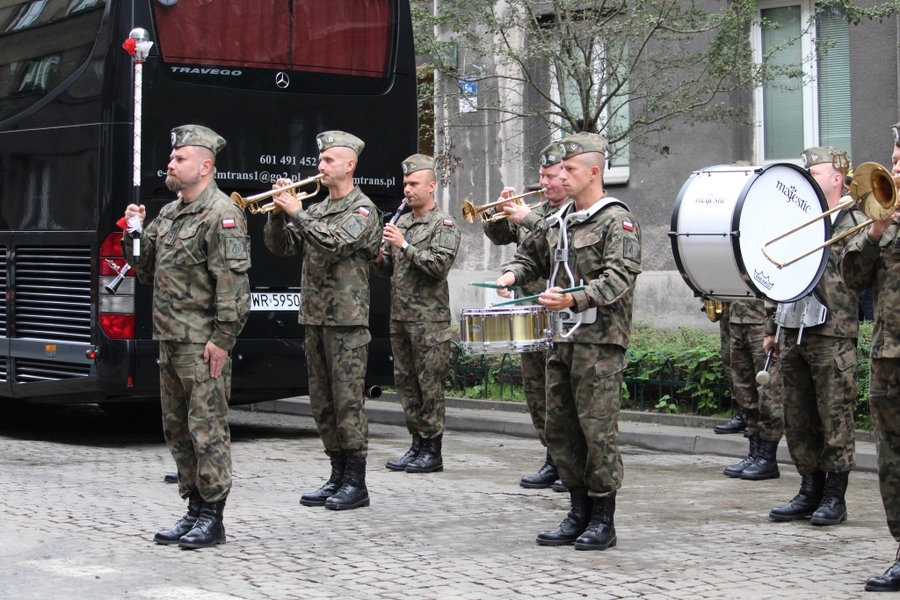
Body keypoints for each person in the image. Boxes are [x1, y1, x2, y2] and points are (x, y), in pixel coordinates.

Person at [494, 132, 642, 551]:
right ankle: (577, 512)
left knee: (597, 432)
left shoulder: (616, 220)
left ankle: (602, 519)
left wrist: (574, 298)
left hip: (599, 343)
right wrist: (512, 275)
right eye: (560, 169)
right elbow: (534, 257)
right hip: (560, 339)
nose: (560, 176)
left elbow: (619, 277)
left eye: (570, 169)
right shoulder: (561, 219)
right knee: (561, 429)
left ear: (593, 172)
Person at [123, 125, 251, 549]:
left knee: (207, 428)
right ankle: (193, 507)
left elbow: (233, 286)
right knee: (177, 428)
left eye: (180, 159)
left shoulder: (222, 215)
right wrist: (134, 233)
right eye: (172, 158)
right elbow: (144, 270)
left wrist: (223, 339)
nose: (171, 164)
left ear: (205, 166)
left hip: (202, 342)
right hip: (171, 337)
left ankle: (213, 516)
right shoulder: (170, 213)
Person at [264, 130, 381, 510]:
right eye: (320, 160)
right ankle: (336, 473)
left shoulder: (363, 210)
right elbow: (281, 246)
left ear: (350, 165)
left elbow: (335, 244)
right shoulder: (316, 210)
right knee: (322, 402)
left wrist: (296, 212)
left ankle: (356, 482)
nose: (321, 166)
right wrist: (278, 215)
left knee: (347, 402)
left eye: (329, 160)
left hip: (346, 321)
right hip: (315, 317)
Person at [766, 146, 861, 526]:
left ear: (837, 178)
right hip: (793, 327)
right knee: (797, 414)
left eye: (816, 171)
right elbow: (779, 274)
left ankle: (835, 496)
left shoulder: (855, 220)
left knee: (834, 414)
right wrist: (771, 327)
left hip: (833, 330)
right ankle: (809, 488)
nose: (808, 176)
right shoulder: (799, 219)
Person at [482, 142, 569, 490]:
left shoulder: (575, 212)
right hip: (529, 310)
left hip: (561, 313)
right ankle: (552, 457)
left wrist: (527, 218)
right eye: (541, 176)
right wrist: (500, 212)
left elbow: (559, 242)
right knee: (537, 392)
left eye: (551, 176)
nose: (544, 182)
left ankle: (570, 462)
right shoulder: (536, 209)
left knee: (561, 392)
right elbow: (507, 240)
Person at [372, 154, 461, 473]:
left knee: (429, 386)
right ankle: (416, 444)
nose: (407, 190)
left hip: (429, 321)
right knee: (406, 384)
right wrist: (377, 256)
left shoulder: (444, 224)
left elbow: (438, 266)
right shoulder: (402, 222)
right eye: (405, 184)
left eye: (413, 184)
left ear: (431, 186)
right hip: (401, 318)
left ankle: (433, 450)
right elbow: (388, 269)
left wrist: (404, 245)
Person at [841, 123, 900, 592]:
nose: (895, 166)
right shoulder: (886, 220)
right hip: (888, 357)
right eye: (894, 159)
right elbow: (853, 278)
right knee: (892, 459)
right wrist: (876, 231)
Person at [722, 299, 783, 480]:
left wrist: (772, 327)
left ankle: (767, 456)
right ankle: (754, 453)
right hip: (737, 319)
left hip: (762, 321)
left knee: (768, 391)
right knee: (744, 391)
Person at [712, 302, 747, 435]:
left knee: (753, 363)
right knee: (729, 361)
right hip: (728, 307)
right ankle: (743, 412)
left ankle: (757, 417)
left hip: (752, 310)